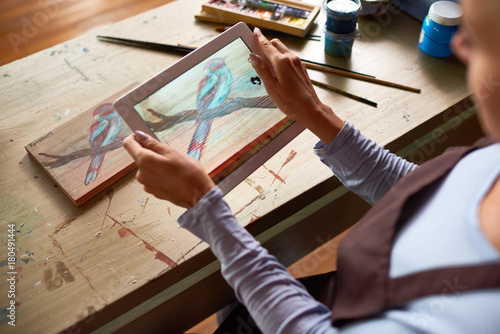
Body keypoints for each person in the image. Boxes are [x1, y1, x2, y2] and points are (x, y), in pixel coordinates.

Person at [123, 0, 500, 332]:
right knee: (235, 306)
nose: (459, 44)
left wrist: (203, 205)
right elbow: (430, 196)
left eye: (480, 40)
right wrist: (315, 113)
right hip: (358, 292)